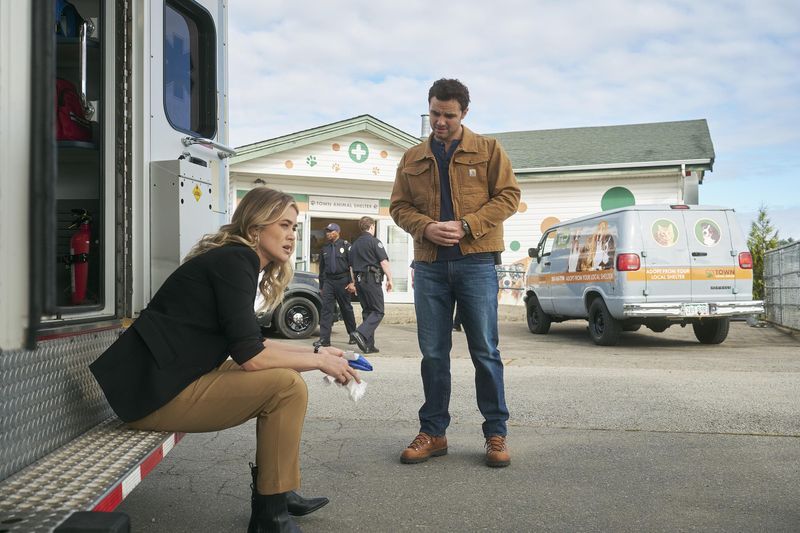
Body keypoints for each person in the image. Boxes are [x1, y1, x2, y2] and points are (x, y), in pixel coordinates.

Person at [89, 187, 361, 532]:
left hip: (167, 379)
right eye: (284, 225)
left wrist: (319, 353)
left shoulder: (236, 260)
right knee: (286, 386)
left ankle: (276, 493)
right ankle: (270, 514)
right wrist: (320, 362)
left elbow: (250, 342)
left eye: (295, 227)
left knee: (289, 382)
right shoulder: (237, 261)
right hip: (152, 395)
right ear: (255, 228)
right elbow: (251, 357)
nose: (292, 236)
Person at [389, 78, 520, 468]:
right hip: (429, 266)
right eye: (434, 113)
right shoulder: (412, 157)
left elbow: (510, 196)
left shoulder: (489, 149)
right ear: (428, 109)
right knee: (433, 353)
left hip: (476, 262)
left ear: (464, 113)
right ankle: (434, 432)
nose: (440, 122)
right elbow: (398, 207)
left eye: (448, 115)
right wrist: (425, 227)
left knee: (485, 351)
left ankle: (496, 434)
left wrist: (467, 225)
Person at [348, 216, 393, 354]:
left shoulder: (354, 245)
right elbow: (383, 262)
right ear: (372, 226)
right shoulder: (374, 242)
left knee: (368, 311)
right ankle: (360, 333)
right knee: (378, 311)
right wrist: (390, 279)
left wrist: (354, 283)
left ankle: (369, 345)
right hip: (371, 280)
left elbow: (350, 267)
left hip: (360, 281)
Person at [315, 222, 358, 348]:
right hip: (329, 281)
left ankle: (353, 335)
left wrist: (352, 282)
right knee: (326, 310)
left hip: (343, 280)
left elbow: (353, 265)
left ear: (337, 232)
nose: (328, 234)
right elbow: (321, 269)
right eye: (327, 231)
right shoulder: (325, 248)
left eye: (330, 231)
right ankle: (324, 339)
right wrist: (322, 286)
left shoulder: (346, 246)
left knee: (346, 309)